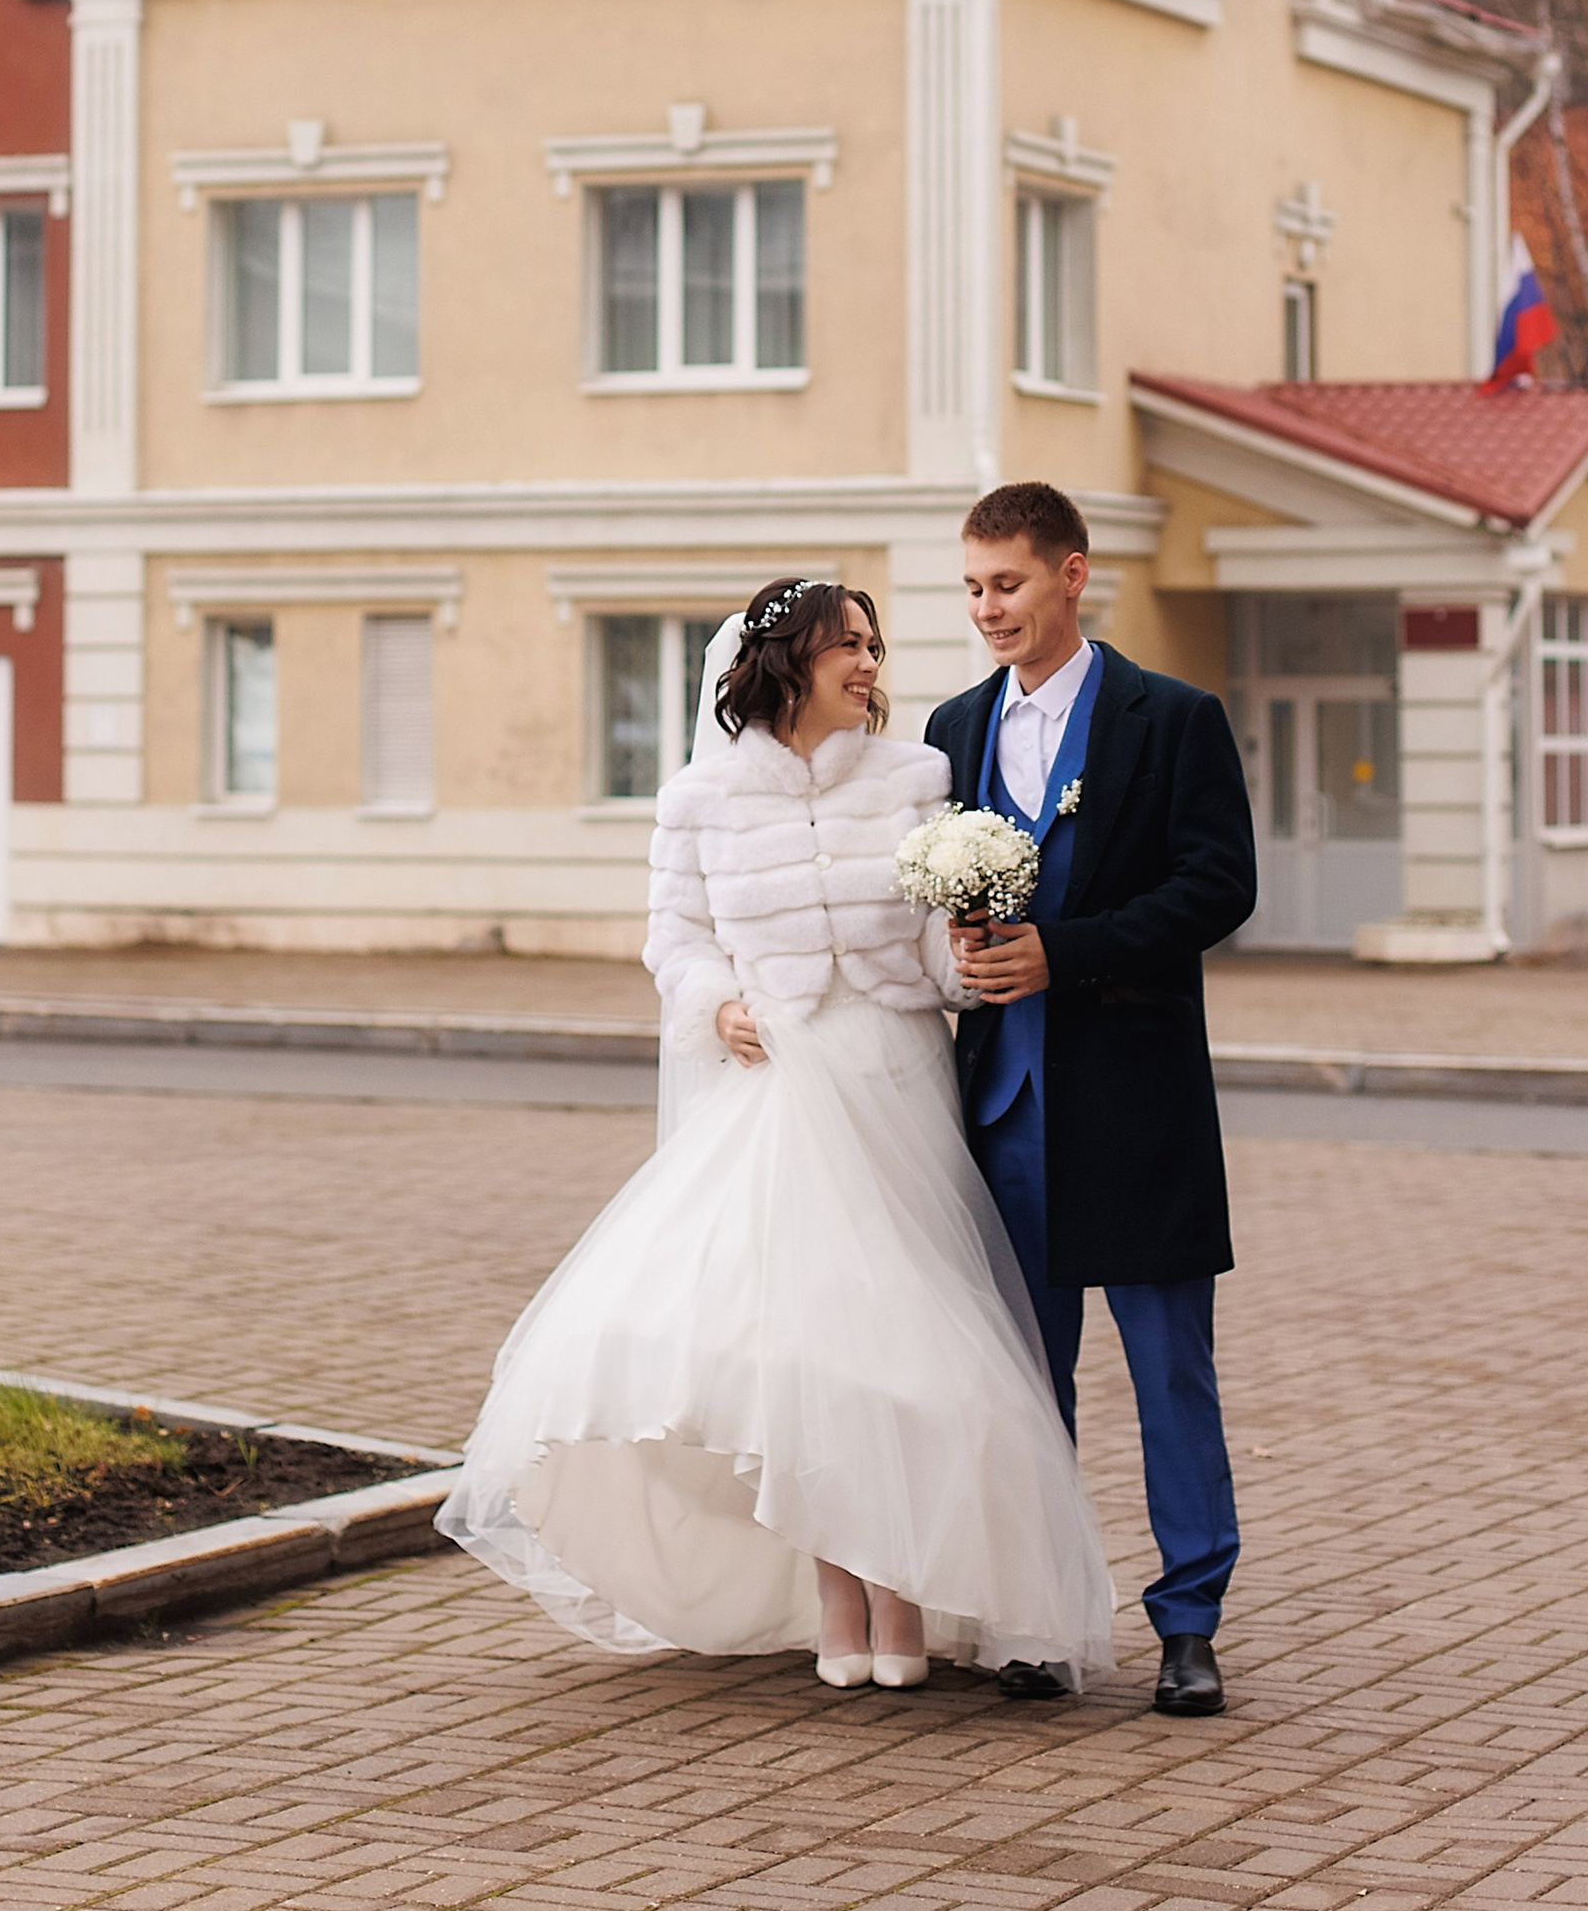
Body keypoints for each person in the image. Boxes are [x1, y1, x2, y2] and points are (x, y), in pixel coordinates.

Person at [437, 578, 1116, 1691]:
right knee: (802, 1354)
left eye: (872, 646)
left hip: (896, 1086)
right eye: (846, 646)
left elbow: (935, 966)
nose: (868, 664)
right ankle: (838, 1598)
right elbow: (675, 939)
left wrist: (973, 939)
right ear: (786, 660)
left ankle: (902, 1588)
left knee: (902, 1358)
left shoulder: (919, 780)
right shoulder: (698, 800)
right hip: (775, 1092)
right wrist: (719, 1007)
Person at [927, 482, 1257, 1719]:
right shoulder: (951, 730)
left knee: (1170, 1371)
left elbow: (1218, 887)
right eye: (970, 587)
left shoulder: (1172, 719)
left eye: (1005, 584)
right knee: (1025, 1380)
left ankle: (1189, 1623)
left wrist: (1067, 952)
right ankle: (1044, 1618)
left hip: (1136, 1104)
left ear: (1071, 574)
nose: (985, 609)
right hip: (1001, 1109)